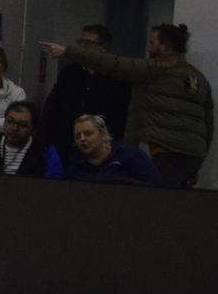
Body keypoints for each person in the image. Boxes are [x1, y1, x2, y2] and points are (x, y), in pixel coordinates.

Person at [44, 24, 211, 188]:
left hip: (161, 150)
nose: (148, 49)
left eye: (152, 43)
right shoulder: (200, 79)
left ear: (165, 46)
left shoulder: (154, 69)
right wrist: (200, 154)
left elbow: (114, 64)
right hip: (193, 155)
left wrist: (69, 51)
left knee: (152, 204)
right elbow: (208, 125)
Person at [42, 24, 132, 146]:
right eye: (81, 42)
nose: (83, 47)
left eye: (88, 43)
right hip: (68, 139)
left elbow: (121, 114)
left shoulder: (117, 76)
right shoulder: (70, 71)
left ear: (104, 46)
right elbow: (54, 105)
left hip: (103, 143)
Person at [63, 114, 163, 186]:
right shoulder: (75, 167)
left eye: (88, 133)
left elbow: (156, 187)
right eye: (77, 136)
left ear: (103, 134)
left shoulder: (131, 156)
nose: (82, 139)